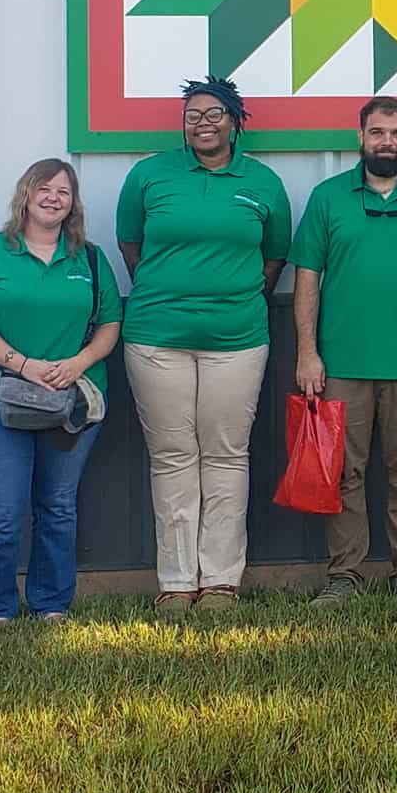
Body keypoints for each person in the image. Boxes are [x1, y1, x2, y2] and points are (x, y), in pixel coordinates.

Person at [116, 76, 292, 615]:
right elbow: (131, 245)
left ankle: (219, 582)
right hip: (155, 338)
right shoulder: (149, 175)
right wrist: (170, 293)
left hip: (237, 340)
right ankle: (175, 583)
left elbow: (274, 256)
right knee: (171, 457)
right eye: (193, 114)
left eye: (214, 114)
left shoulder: (262, 182)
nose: (203, 123)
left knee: (225, 456)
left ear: (235, 122)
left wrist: (229, 298)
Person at [292, 96, 397, 606]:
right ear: (360, 137)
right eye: (377, 132)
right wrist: (307, 352)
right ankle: (343, 576)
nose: (387, 141)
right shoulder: (327, 199)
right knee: (343, 475)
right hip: (340, 365)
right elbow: (307, 280)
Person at [0, 158, 122, 632]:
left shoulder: (88, 258)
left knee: (58, 506)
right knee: (4, 510)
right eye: (43, 188)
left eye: (63, 192)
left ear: (73, 203)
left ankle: (51, 605)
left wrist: (77, 364)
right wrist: (25, 366)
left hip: (71, 403)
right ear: (25, 195)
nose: (53, 197)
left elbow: (110, 323)